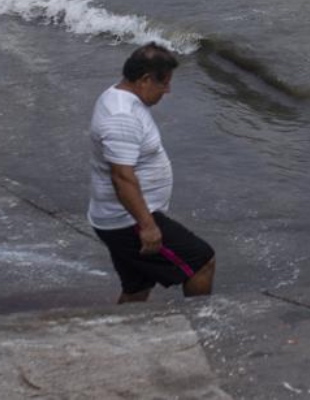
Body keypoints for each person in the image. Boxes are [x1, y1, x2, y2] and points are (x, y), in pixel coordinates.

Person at [87, 43, 215, 304]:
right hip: (127, 221)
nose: (167, 91)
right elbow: (121, 177)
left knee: (137, 287)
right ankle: (200, 324)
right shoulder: (122, 116)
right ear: (145, 79)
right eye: (164, 83)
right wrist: (147, 226)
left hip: (117, 218)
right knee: (201, 261)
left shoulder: (117, 97)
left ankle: (123, 331)